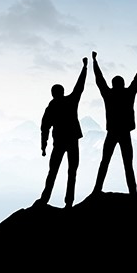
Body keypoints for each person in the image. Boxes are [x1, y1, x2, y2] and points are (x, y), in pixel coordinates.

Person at [91, 51, 137, 196]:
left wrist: (94, 61)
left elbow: (99, 79)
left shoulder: (108, 94)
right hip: (125, 133)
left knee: (105, 162)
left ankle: (97, 189)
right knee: (128, 164)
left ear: (113, 84)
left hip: (112, 132)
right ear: (122, 84)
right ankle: (133, 193)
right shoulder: (129, 94)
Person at [35, 57, 88, 209]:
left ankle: (45, 198)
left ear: (53, 93)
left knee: (53, 172)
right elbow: (80, 87)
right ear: (62, 92)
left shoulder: (51, 107)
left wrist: (43, 146)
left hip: (59, 142)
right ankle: (69, 203)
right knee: (72, 172)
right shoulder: (71, 101)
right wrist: (84, 68)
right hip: (72, 140)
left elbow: (44, 128)